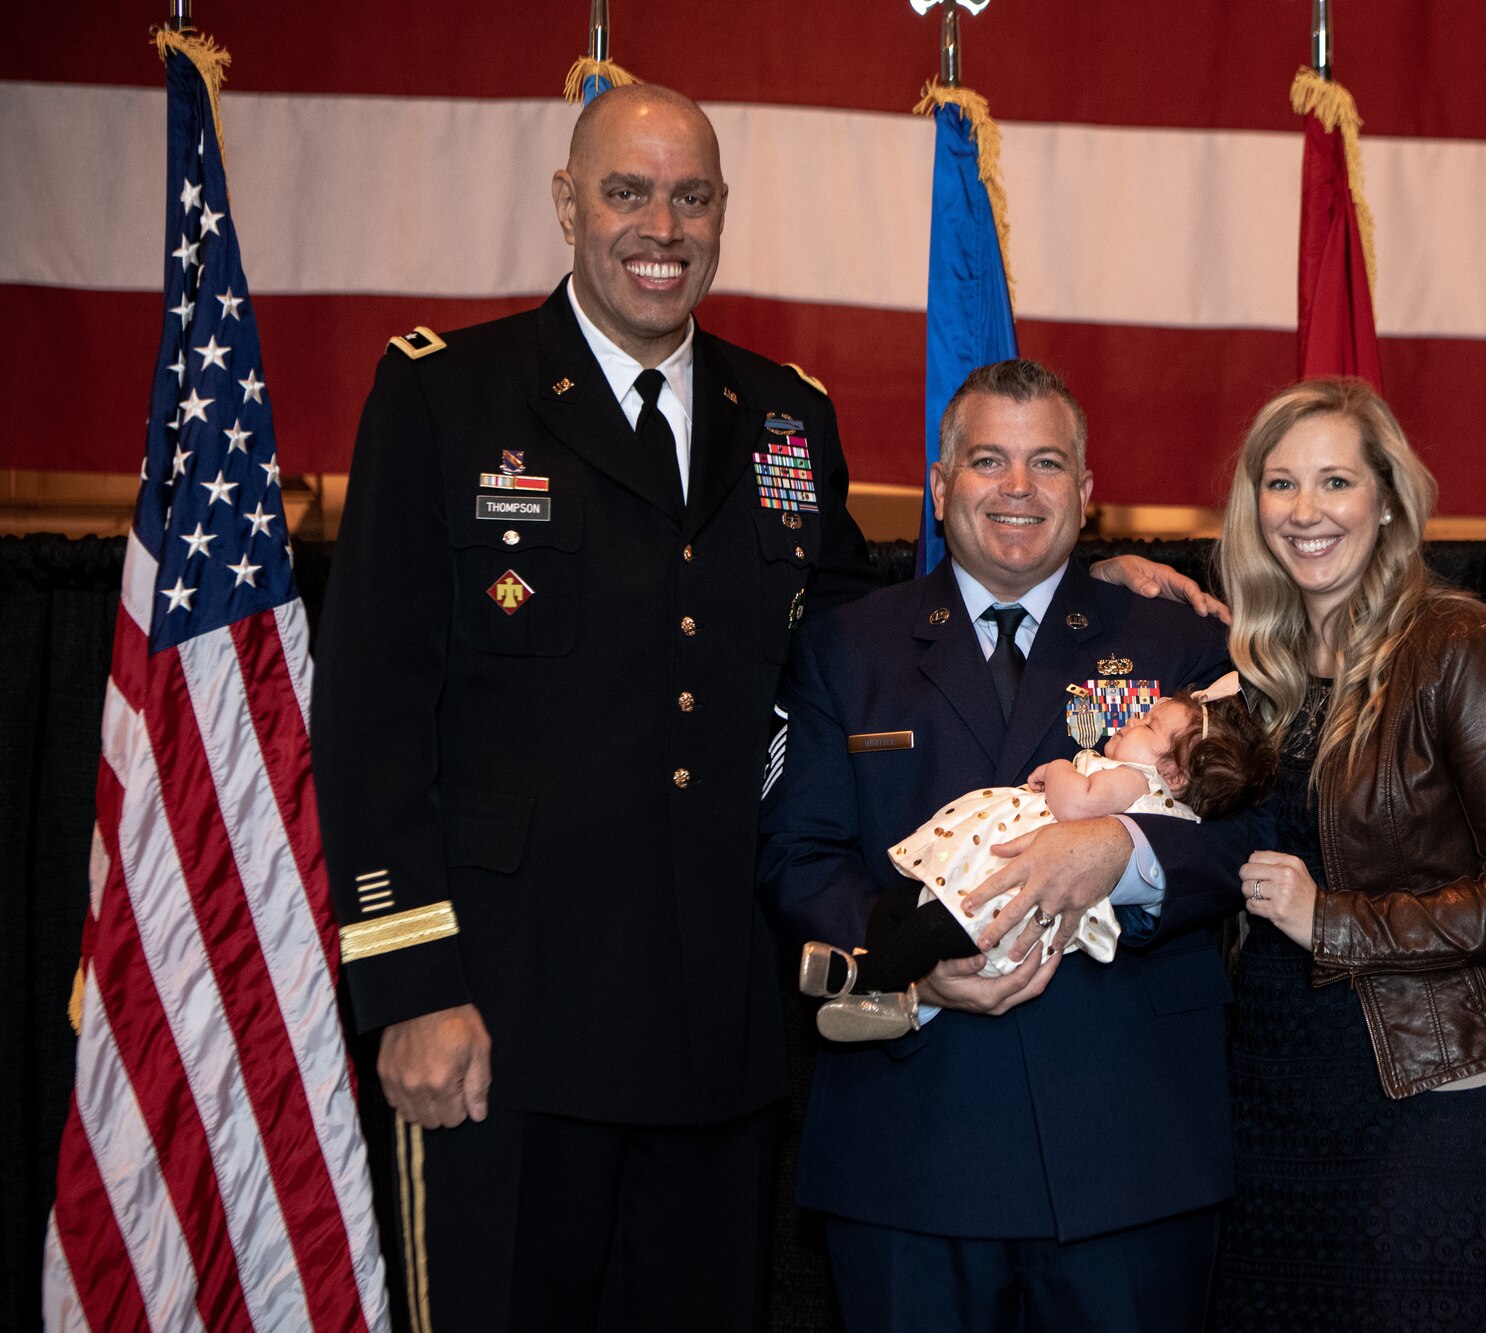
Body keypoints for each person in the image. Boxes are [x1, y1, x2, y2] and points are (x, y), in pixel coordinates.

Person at [313, 85, 1217, 1329]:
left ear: (722, 213)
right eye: (627, 191)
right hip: (506, 1020)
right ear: (567, 202)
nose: (659, 225)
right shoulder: (448, 399)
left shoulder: (785, 418)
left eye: (690, 196)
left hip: (715, 1029)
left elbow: (882, 627)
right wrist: (411, 984)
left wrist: (1082, 579)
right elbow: (370, 710)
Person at [758, 358, 1256, 1333]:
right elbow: (796, 854)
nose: (1018, 488)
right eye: (987, 460)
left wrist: (1119, 849)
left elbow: (1250, 839)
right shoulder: (841, 647)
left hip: (1126, 1148)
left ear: (1086, 489)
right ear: (940, 485)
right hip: (911, 1145)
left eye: (1046, 463)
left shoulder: (1173, 638)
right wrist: (912, 963)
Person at [1208, 378, 1486, 1332]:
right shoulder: (1264, 672)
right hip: (1274, 1099)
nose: (1305, 511)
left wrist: (1330, 917)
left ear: (1387, 496)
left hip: (1432, 1096)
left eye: (1335, 480)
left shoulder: (1464, 646)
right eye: (1280, 483)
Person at [802, 686, 1276, 1038]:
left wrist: (1060, 768)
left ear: (1171, 773)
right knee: (903, 908)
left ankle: (859, 976)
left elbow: (1077, 807)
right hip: (996, 881)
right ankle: (895, 1000)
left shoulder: (1134, 780)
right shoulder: (1140, 770)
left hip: (1013, 900)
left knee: (934, 927)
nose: (1132, 722)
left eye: (1148, 726)